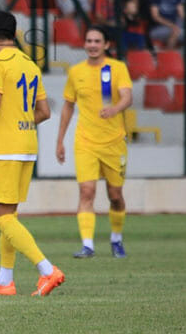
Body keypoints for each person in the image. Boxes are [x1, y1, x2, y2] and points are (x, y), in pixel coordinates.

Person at [0, 11, 64, 296]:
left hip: (6, 148)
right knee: (10, 215)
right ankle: (5, 280)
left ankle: (47, 270)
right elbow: (43, 112)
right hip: (28, 145)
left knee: (0, 217)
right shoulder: (30, 64)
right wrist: (20, 121)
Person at [55, 26, 134, 259]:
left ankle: (116, 239)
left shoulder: (117, 68)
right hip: (85, 141)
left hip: (114, 142)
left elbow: (128, 96)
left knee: (115, 195)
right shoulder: (75, 71)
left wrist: (115, 109)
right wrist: (60, 140)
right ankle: (87, 245)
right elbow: (68, 106)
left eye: (97, 41)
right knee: (86, 191)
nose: (92, 45)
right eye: (88, 40)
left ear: (106, 45)